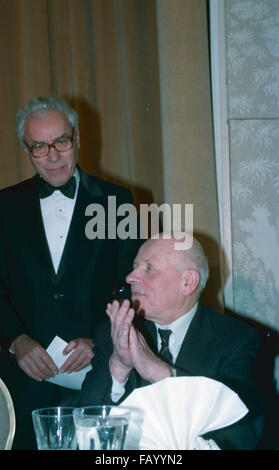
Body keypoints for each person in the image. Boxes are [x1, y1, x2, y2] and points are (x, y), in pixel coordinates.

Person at [0, 96, 141, 449]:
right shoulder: (3, 206)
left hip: (94, 377)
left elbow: (132, 286)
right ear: (26, 149)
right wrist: (16, 340)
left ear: (77, 138)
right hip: (21, 380)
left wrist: (100, 340)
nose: (53, 156)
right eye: (39, 146)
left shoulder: (116, 201)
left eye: (61, 141)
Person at [68, 233, 265, 450]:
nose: (130, 277)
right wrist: (118, 367)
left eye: (148, 268)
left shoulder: (236, 339)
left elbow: (242, 436)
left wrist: (163, 374)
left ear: (188, 282)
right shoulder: (114, 331)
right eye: (134, 266)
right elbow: (83, 430)